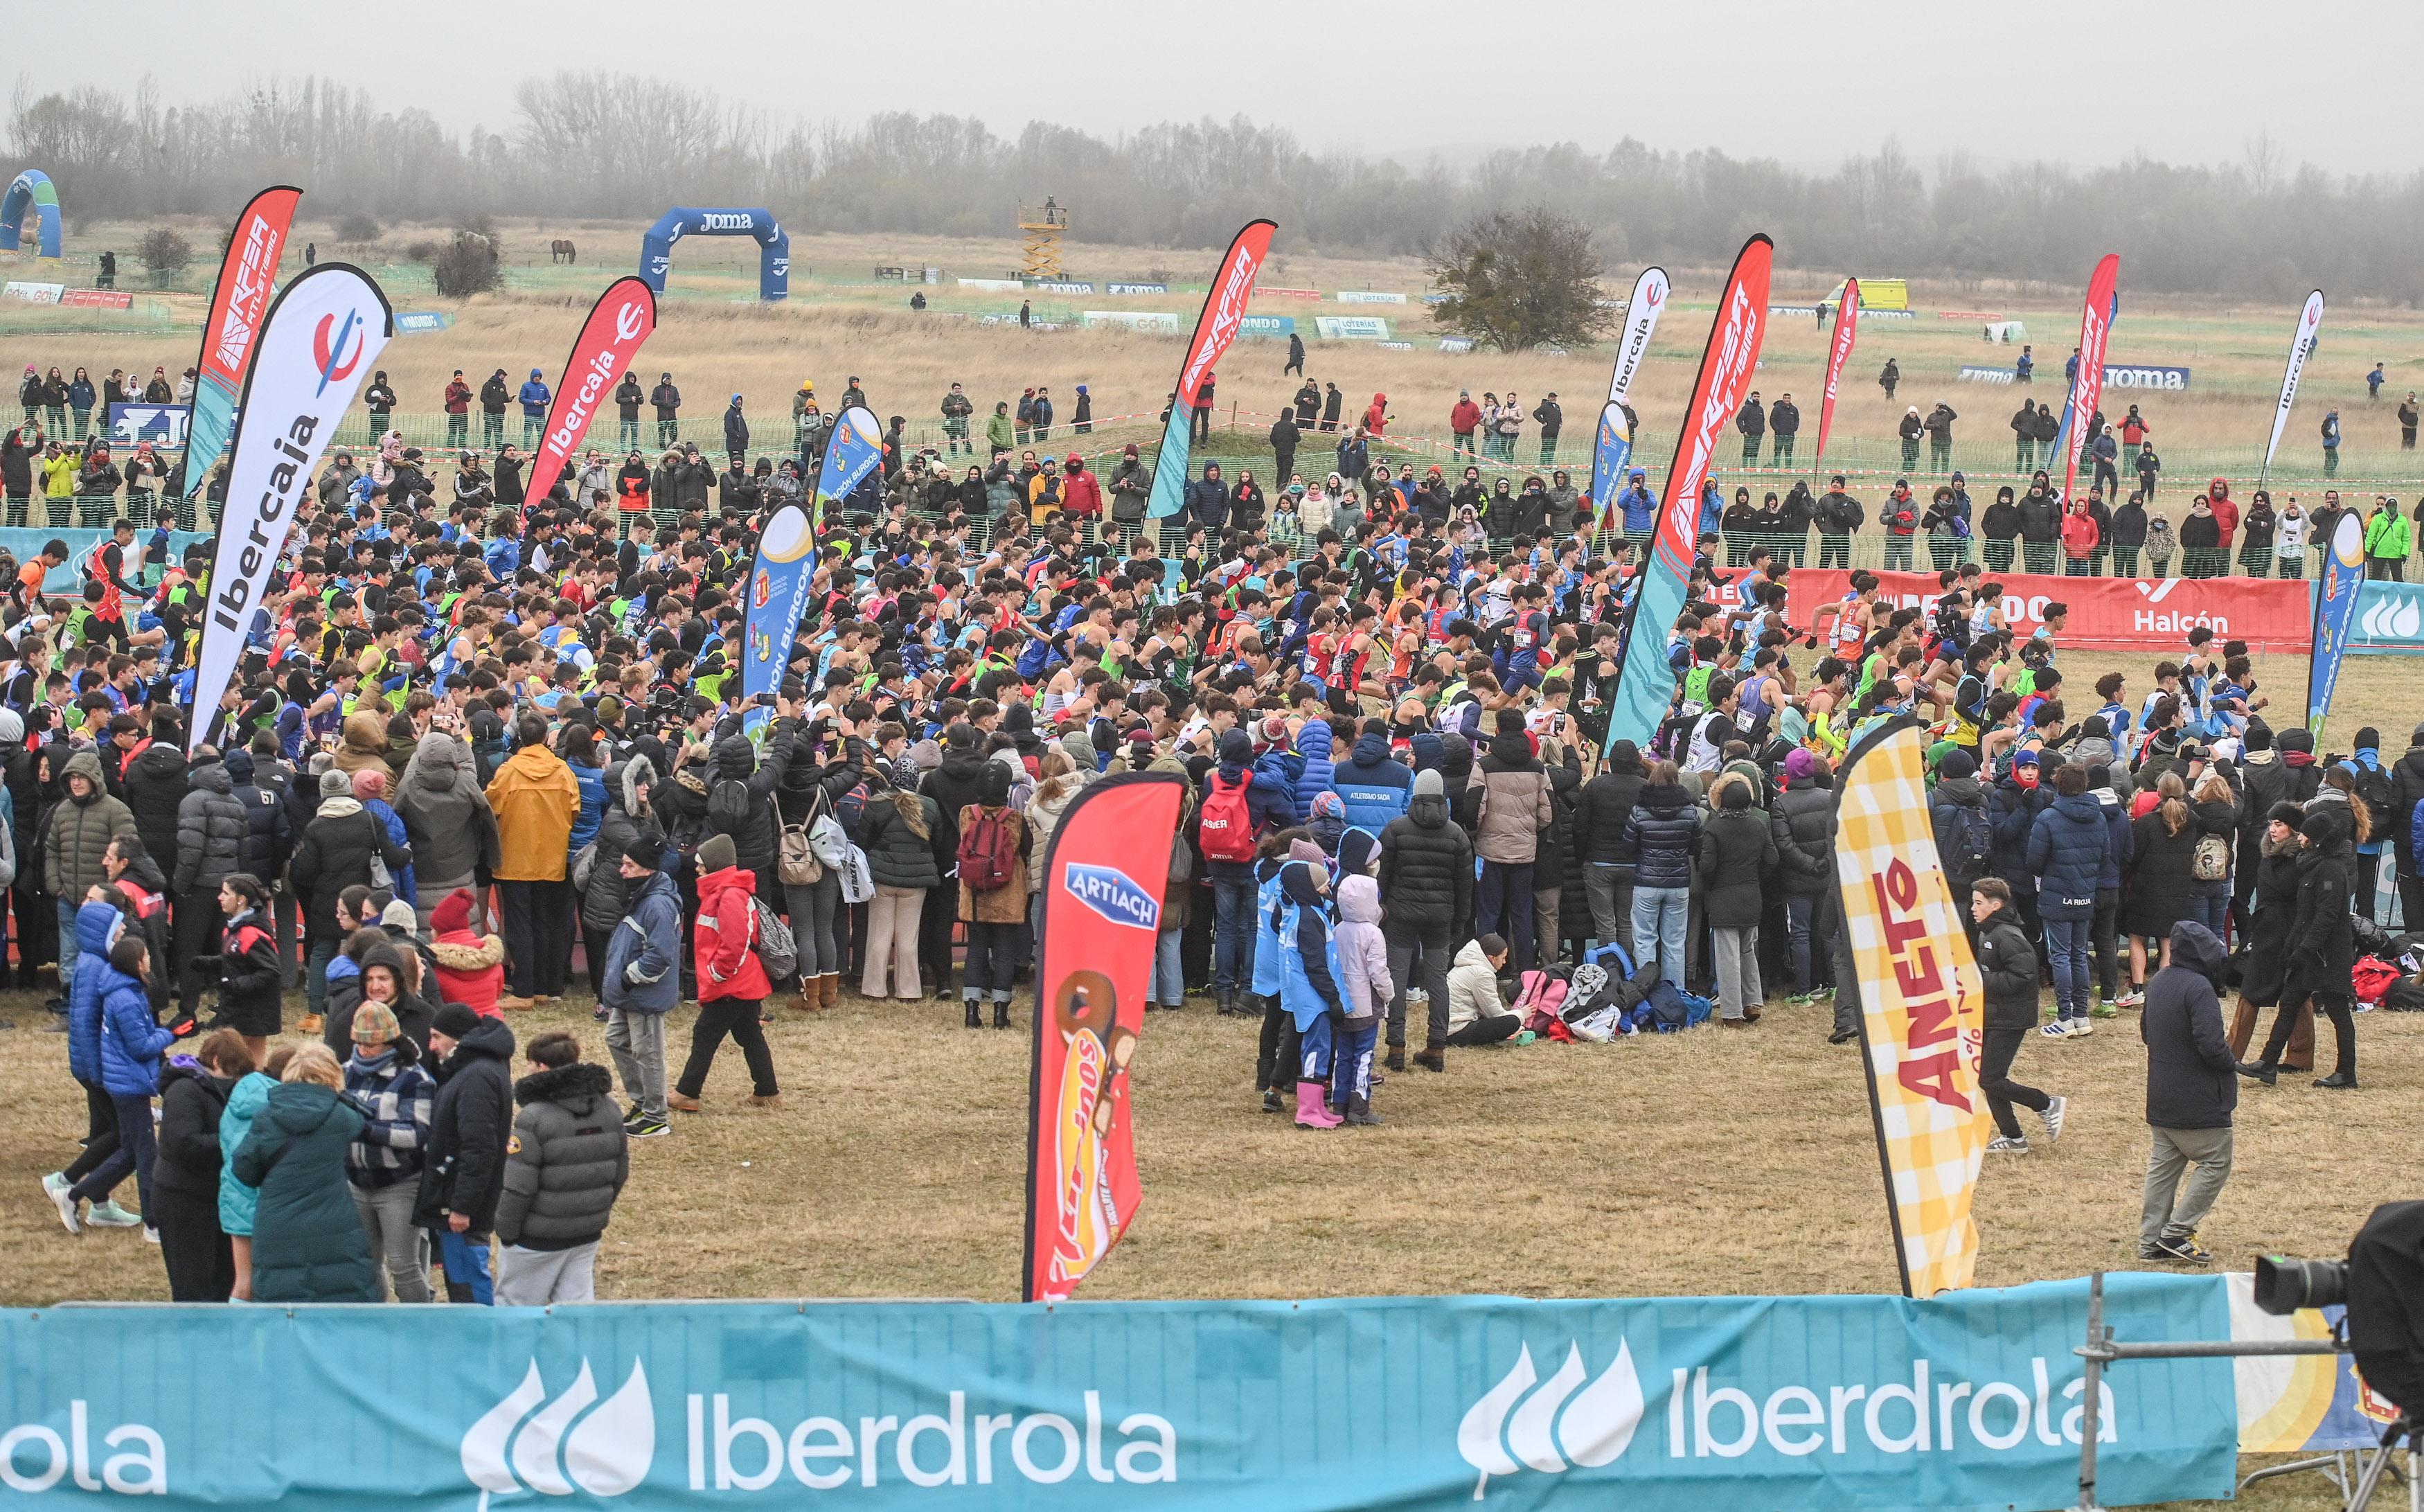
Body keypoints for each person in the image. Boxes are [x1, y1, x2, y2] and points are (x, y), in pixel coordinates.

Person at [232, 1043, 378, 1304]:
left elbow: (244, 1171)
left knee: (282, 1307)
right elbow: (362, 1123)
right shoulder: (342, 1117)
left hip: (278, 1226)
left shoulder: (266, 1117)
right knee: (339, 1304)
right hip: (334, 1225)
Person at [496, 1031, 630, 1306]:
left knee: (516, 1312)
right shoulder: (611, 1110)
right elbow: (619, 1173)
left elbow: (519, 1188)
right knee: (575, 1313)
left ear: (541, 1067)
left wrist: (507, 1232)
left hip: (536, 1239)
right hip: (587, 1233)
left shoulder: (533, 1117)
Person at [2239, 808, 2359, 1089]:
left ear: (2317, 840)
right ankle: (2267, 1063)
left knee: (2339, 1012)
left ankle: (2346, 1072)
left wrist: (2304, 949)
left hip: (2327, 955)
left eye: (2305, 833)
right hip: (2308, 951)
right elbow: (2305, 914)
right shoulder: (2313, 866)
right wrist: (2293, 945)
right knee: (2289, 1005)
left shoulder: (2330, 869)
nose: (2300, 836)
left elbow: (2326, 917)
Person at [2139, 920, 2235, 1263]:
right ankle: (2177, 1232)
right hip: (2198, 1099)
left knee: (2163, 1168)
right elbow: (2212, 1045)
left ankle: (2151, 1241)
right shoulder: (2199, 989)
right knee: (2216, 1161)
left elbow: (2147, 1033)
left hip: (2160, 1095)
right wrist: (2231, 1063)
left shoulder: (2159, 981)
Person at [415, 1001, 516, 1305]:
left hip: (462, 1207)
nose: (431, 1046)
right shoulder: (476, 1069)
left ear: (457, 1037)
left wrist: (462, 1206)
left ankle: (482, 1340)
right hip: (458, 1199)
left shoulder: (476, 1077)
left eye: (436, 1037)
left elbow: (479, 1148)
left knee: (467, 1281)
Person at [341, 998, 434, 1303]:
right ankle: (378, 1324)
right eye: (360, 1043)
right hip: (355, 1182)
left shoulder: (415, 1078)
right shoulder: (343, 1072)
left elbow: (418, 1134)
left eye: (373, 1045)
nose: (364, 1050)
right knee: (366, 1266)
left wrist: (366, 1129)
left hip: (399, 1184)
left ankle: (420, 1327)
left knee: (403, 1266)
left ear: (390, 1042)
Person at [485, 713, 578, 1008]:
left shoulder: (508, 771)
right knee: (545, 923)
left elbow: (492, 807)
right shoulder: (562, 771)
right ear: (544, 737)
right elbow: (574, 810)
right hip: (551, 859)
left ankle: (523, 991)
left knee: (519, 925)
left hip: (515, 859)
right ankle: (541, 987)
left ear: (520, 739)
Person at [1970, 878, 2063, 1154]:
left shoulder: (2007, 935)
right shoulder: (1987, 931)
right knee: (1988, 1077)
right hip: (1993, 1014)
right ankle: (2013, 1138)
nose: (1973, 908)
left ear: (1995, 905)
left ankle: (2046, 1104)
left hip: (2011, 1017)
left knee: (1990, 1078)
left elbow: (2024, 976)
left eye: (1978, 903)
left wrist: (1979, 980)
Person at [602, 834, 681, 1137]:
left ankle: (656, 1115)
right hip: (629, 993)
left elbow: (661, 956)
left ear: (647, 870)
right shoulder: (642, 896)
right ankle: (641, 1102)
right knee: (616, 1039)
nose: (622, 870)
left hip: (643, 993)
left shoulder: (658, 905)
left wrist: (628, 977)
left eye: (629, 865)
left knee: (648, 1053)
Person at [1698, 771, 1775, 1025]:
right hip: (1752, 894)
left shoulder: (1714, 828)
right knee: (1748, 951)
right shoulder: (1758, 825)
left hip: (1723, 897)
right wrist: (1756, 877)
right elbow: (1772, 859)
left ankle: (1731, 1012)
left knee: (1727, 957)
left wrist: (1712, 885)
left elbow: (1707, 867)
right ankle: (1752, 1001)